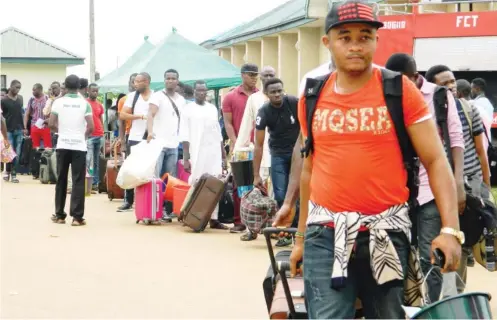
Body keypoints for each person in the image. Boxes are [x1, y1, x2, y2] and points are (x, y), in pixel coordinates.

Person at [292, 2, 462, 318]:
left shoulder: (399, 91)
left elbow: (436, 160)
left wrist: (451, 230)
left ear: (376, 41)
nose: (355, 46)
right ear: (327, 42)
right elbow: (310, 168)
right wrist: (301, 238)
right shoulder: (312, 97)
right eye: (345, 37)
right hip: (325, 235)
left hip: (386, 233)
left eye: (365, 36)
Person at [385, 53, 465, 302]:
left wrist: (458, 182)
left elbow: (456, 139)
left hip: (432, 189)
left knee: (429, 253)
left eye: (403, 81)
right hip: (398, 190)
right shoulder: (387, 93)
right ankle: (402, 307)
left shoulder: (440, 96)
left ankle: (428, 307)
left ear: (414, 76)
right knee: (396, 253)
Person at [252, 78, 300, 245]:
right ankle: (285, 233)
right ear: (267, 94)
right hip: (278, 155)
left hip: (298, 155)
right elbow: (258, 145)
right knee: (280, 194)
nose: (277, 94)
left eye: (280, 90)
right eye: (273, 92)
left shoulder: (294, 102)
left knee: (298, 195)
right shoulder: (264, 111)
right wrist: (256, 175)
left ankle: (298, 232)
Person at [180, 80, 228, 230]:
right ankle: (190, 214)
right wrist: (186, 158)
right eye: (198, 90)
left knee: (215, 182)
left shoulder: (212, 109)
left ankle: (213, 218)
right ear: (193, 92)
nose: (201, 93)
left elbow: (218, 133)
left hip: (213, 152)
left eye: (204, 91)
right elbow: (184, 135)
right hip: (196, 151)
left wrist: (223, 155)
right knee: (195, 181)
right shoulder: (188, 109)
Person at [48, 74, 94, 226]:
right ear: (79, 86)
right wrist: (83, 137)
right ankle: (77, 217)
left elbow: (51, 124)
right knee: (78, 180)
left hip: (63, 145)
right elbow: (91, 126)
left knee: (61, 179)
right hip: (79, 146)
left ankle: (60, 215)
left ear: (65, 87)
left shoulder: (58, 102)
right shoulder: (84, 104)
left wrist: (61, 132)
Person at [222, 63, 259, 233]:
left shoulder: (261, 96)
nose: (254, 78)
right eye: (251, 74)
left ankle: (257, 221)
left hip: (259, 148)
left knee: (258, 183)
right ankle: (239, 221)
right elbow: (228, 123)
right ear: (242, 75)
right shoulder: (230, 97)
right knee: (239, 184)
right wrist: (236, 143)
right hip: (240, 148)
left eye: (255, 75)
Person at [147, 69, 186, 221]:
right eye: (168, 78)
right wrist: (150, 132)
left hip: (173, 144)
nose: (170, 81)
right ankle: (155, 210)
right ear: (164, 80)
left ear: (177, 81)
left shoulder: (181, 100)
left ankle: (166, 209)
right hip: (158, 144)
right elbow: (150, 114)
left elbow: (183, 121)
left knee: (169, 179)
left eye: (173, 78)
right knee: (156, 179)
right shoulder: (157, 96)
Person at [117, 72, 152, 212]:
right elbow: (123, 115)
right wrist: (141, 116)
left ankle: (147, 200)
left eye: (138, 81)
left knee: (149, 170)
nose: (135, 84)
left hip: (150, 139)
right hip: (134, 138)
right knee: (131, 169)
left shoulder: (156, 96)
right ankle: (128, 200)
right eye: (134, 82)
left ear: (147, 82)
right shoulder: (132, 97)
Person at [235, 65, 276, 182]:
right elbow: (245, 126)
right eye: (265, 75)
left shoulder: (282, 97)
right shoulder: (254, 99)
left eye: (271, 75)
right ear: (261, 78)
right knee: (261, 191)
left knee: (278, 193)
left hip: (279, 154)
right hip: (261, 154)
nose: (268, 78)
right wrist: (238, 150)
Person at [1, 80, 24, 183]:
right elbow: (2, 117)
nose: (18, 89)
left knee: (17, 153)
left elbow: (21, 113)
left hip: (19, 129)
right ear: (10, 87)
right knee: (9, 152)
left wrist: (24, 127)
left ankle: (14, 173)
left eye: (19, 87)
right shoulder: (3, 100)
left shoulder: (20, 99)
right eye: (16, 87)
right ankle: (7, 172)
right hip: (8, 129)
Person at [86, 83, 105, 192]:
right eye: (93, 91)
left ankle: (95, 183)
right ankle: (87, 183)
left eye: (97, 91)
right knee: (88, 159)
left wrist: (103, 132)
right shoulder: (85, 103)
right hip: (89, 135)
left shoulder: (99, 105)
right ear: (88, 90)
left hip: (99, 135)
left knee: (97, 160)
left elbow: (100, 119)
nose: (95, 93)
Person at [25, 83, 52, 152]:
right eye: (32, 90)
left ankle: (46, 161)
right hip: (34, 126)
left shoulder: (47, 99)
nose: (32, 92)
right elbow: (27, 114)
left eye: (34, 90)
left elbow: (51, 114)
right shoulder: (31, 100)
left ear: (40, 90)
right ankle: (35, 161)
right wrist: (25, 127)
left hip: (45, 126)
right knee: (35, 147)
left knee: (47, 148)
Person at [117, 73, 138, 153]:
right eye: (134, 82)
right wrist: (122, 143)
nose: (136, 84)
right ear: (130, 83)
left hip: (144, 136)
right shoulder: (123, 100)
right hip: (130, 135)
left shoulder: (149, 99)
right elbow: (121, 123)